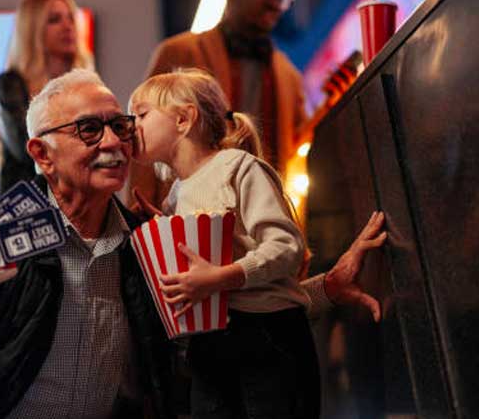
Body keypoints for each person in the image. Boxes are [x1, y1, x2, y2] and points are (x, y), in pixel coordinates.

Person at [0, 69, 385, 419]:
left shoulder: (149, 242)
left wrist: (325, 289)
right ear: (41, 154)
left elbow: (234, 311)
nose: (114, 142)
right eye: (89, 129)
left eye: (120, 125)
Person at [129, 69, 385, 418]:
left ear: (183, 119)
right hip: (214, 340)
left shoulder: (239, 168)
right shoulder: (176, 193)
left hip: (267, 334)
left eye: (141, 115)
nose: (132, 126)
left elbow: (286, 246)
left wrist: (222, 277)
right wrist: (163, 232)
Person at [131, 0, 305, 206]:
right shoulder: (180, 51)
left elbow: (296, 145)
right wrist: (139, 209)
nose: (274, 4)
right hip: (185, 206)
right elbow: (143, 131)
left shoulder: (288, 74)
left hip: (258, 206)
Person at [0, 0, 93, 195]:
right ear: (32, 29)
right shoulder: (11, 85)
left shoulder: (86, 86)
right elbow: (27, 148)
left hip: (75, 198)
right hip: (26, 204)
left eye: (70, 18)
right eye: (54, 20)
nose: (67, 26)